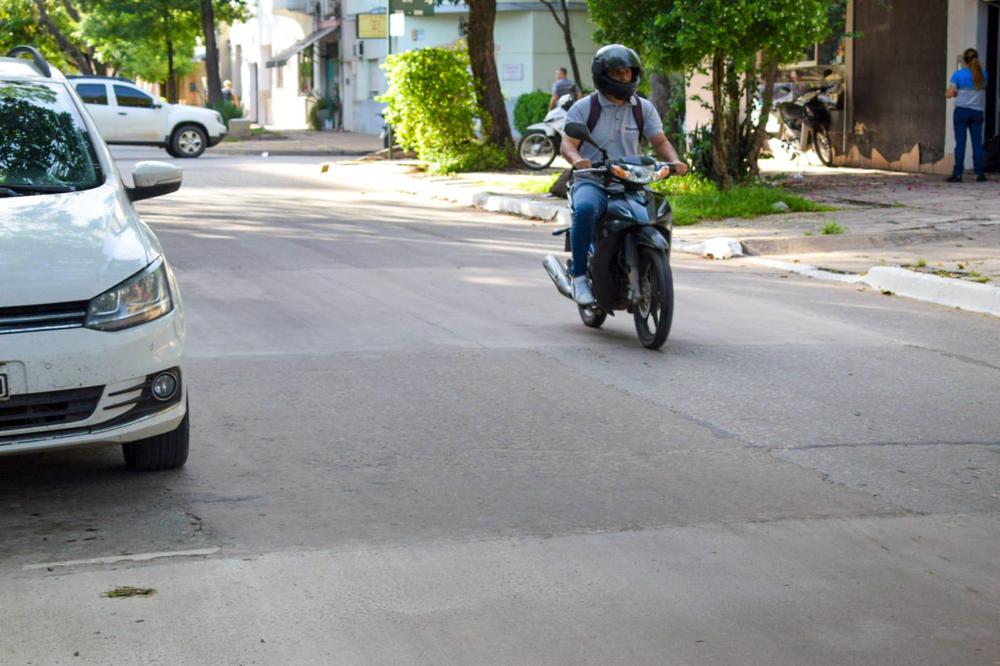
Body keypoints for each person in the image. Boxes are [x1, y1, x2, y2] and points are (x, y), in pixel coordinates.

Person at [560, 44, 688, 305]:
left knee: (657, 212)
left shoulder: (643, 108)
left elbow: (660, 141)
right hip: (593, 180)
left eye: (628, 73)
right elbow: (567, 144)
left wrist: (674, 161)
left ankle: (650, 268)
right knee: (585, 209)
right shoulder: (585, 107)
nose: (624, 78)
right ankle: (580, 276)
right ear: (602, 74)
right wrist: (578, 161)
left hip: (631, 181)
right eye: (617, 74)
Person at [945, 48, 987, 182]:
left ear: (964, 60)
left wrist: (950, 93)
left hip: (961, 112)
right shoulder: (984, 74)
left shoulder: (958, 75)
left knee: (961, 143)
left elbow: (950, 94)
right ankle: (979, 173)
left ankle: (958, 174)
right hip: (977, 113)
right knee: (977, 143)